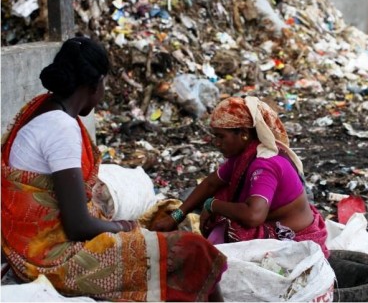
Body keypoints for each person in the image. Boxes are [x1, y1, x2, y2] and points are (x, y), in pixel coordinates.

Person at [1, 36, 227, 302]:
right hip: (53, 257)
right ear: (95, 83)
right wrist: (126, 227)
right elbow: (77, 226)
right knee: (194, 250)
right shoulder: (60, 127)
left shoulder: (40, 107)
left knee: (162, 220)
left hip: (27, 243)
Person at [152, 96, 329, 258]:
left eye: (221, 137)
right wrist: (175, 216)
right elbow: (211, 184)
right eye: (215, 137)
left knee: (226, 220)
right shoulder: (244, 157)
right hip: (273, 223)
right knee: (222, 198)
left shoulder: (264, 164)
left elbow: (253, 216)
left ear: (243, 133)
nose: (217, 143)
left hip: (293, 237)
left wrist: (212, 205)